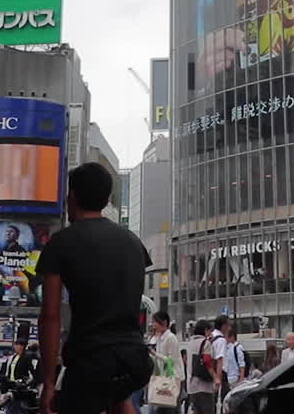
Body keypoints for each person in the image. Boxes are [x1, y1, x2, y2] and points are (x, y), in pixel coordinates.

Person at [38, 163, 154, 414]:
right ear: (107, 199)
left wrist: (48, 383)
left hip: (90, 360)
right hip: (135, 359)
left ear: (73, 196)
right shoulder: (134, 242)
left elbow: (50, 317)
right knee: (119, 398)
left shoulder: (60, 244)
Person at [148, 312, 181, 414]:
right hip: (164, 377)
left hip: (173, 377)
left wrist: (155, 354)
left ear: (164, 322)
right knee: (165, 407)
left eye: (155, 322)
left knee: (169, 407)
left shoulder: (171, 337)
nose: (153, 325)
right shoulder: (159, 338)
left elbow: (171, 360)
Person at [184, 321, 214, 414]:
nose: (211, 334)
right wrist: (215, 377)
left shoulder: (190, 343)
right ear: (205, 330)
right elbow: (207, 360)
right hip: (203, 386)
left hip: (191, 386)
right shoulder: (206, 343)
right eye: (210, 331)